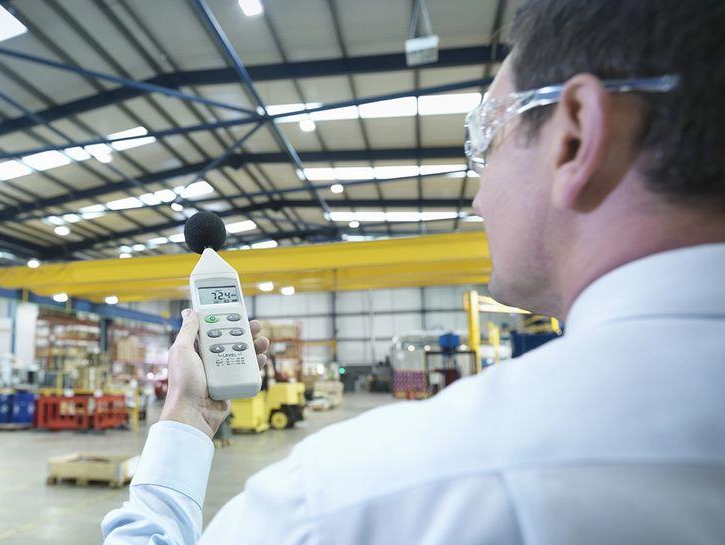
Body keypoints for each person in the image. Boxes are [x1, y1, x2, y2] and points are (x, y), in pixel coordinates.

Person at [102, 0, 725, 542]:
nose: (478, 198)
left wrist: (185, 421)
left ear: (577, 137)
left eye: (487, 137)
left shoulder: (347, 504)